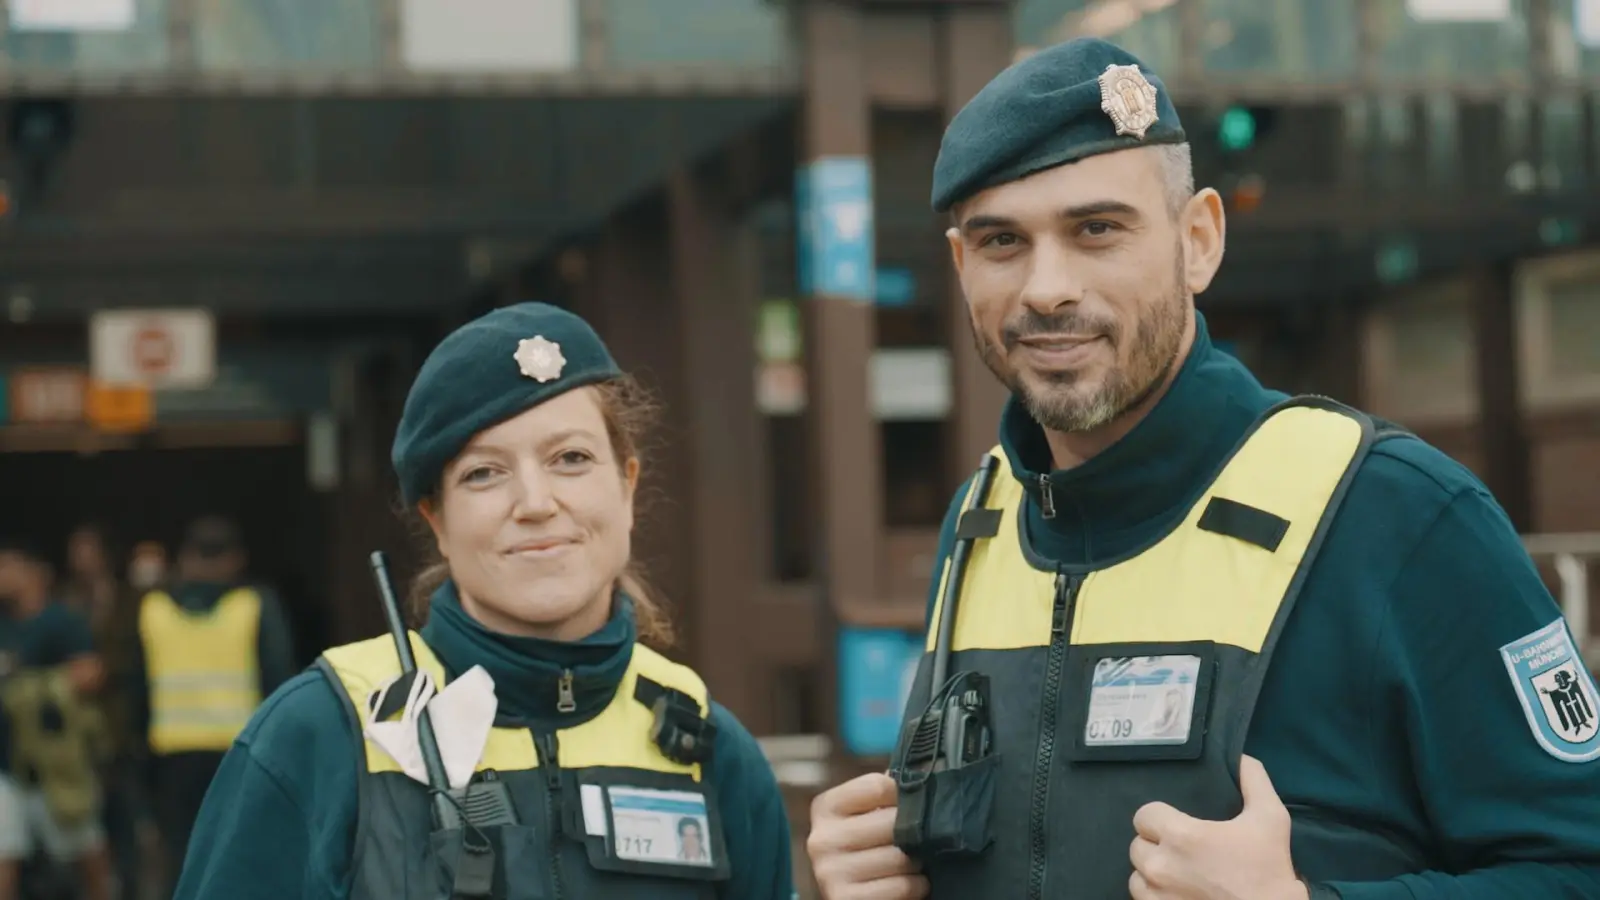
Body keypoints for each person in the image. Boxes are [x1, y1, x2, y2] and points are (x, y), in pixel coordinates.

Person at [805, 37, 1600, 900]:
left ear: (1199, 241)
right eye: (1003, 241)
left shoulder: (1398, 515)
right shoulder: (980, 524)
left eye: (1096, 229)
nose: (1047, 288)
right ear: (962, 267)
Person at [172, 302, 795, 900]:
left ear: (627, 486)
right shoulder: (322, 734)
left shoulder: (708, 750)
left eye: (571, 458)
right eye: (484, 473)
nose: (536, 503)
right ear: (436, 520)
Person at [126, 516, 297, 896]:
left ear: (186, 557)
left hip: (172, 757)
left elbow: (136, 690)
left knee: (182, 858)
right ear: (235, 559)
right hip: (239, 753)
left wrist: (138, 758)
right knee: (239, 855)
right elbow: (280, 683)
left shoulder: (153, 608)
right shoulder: (254, 605)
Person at [0, 540, 113, 900]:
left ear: (34, 572)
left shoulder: (62, 621)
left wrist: (30, 687)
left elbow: (91, 673)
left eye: (6, 566)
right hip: (6, 763)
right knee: (4, 855)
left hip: (56, 763)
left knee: (85, 852)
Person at [60, 523, 149, 900]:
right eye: (76, 550)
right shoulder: (65, 601)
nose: (82, 559)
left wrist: (105, 669)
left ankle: (129, 887)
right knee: (81, 825)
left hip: (120, 726)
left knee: (125, 817)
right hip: (74, 728)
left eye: (89, 549)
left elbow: (141, 655)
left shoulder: (131, 601)